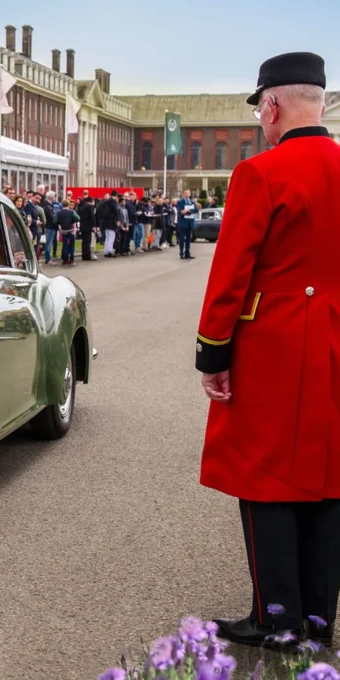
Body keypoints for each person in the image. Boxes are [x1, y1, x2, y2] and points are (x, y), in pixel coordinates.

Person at [195, 52, 340, 650]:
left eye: (260, 108)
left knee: (265, 480)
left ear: (273, 104)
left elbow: (230, 274)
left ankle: (277, 618)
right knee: (330, 479)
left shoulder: (262, 173)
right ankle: (318, 621)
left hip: (276, 347)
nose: (261, 120)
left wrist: (212, 354)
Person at [55, 200, 79, 266]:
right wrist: (72, 221)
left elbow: (55, 221)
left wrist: (60, 223)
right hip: (71, 230)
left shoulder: (59, 213)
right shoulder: (72, 212)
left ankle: (65, 260)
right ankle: (71, 259)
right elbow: (78, 218)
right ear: (68, 205)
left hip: (64, 230)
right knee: (72, 245)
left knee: (65, 245)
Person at [177, 189, 198, 260]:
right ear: (183, 194)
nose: (187, 194)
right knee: (182, 239)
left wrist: (188, 211)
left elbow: (196, 210)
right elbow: (180, 211)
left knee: (189, 239)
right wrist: (183, 211)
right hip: (183, 222)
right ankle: (181, 253)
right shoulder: (180, 202)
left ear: (190, 194)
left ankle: (187, 253)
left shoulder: (192, 202)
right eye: (185, 193)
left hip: (190, 222)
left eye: (188, 193)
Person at [77, 195, 96, 261]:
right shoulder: (90, 207)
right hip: (88, 226)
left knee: (84, 241)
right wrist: (93, 226)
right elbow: (92, 216)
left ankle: (84, 255)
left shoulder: (82, 207)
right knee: (88, 241)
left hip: (83, 226)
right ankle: (87, 256)